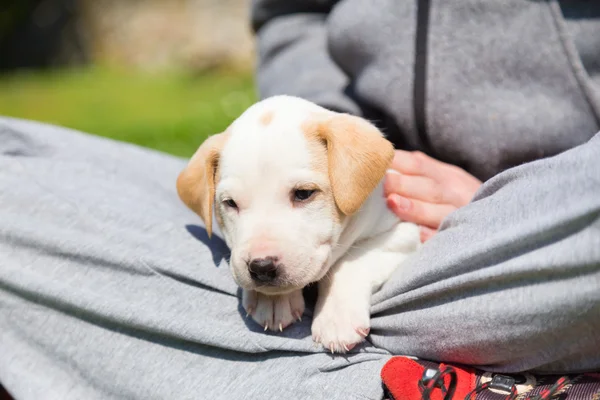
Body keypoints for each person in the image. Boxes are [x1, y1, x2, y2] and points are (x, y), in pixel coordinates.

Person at [1, 1, 599, 399]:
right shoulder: (294, 162)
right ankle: (429, 373)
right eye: (230, 205)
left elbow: (393, 234)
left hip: (551, 216)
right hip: (362, 146)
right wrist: (319, 123)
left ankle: (267, 362)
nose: (260, 255)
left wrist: (510, 208)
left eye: (302, 195)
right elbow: (291, 14)